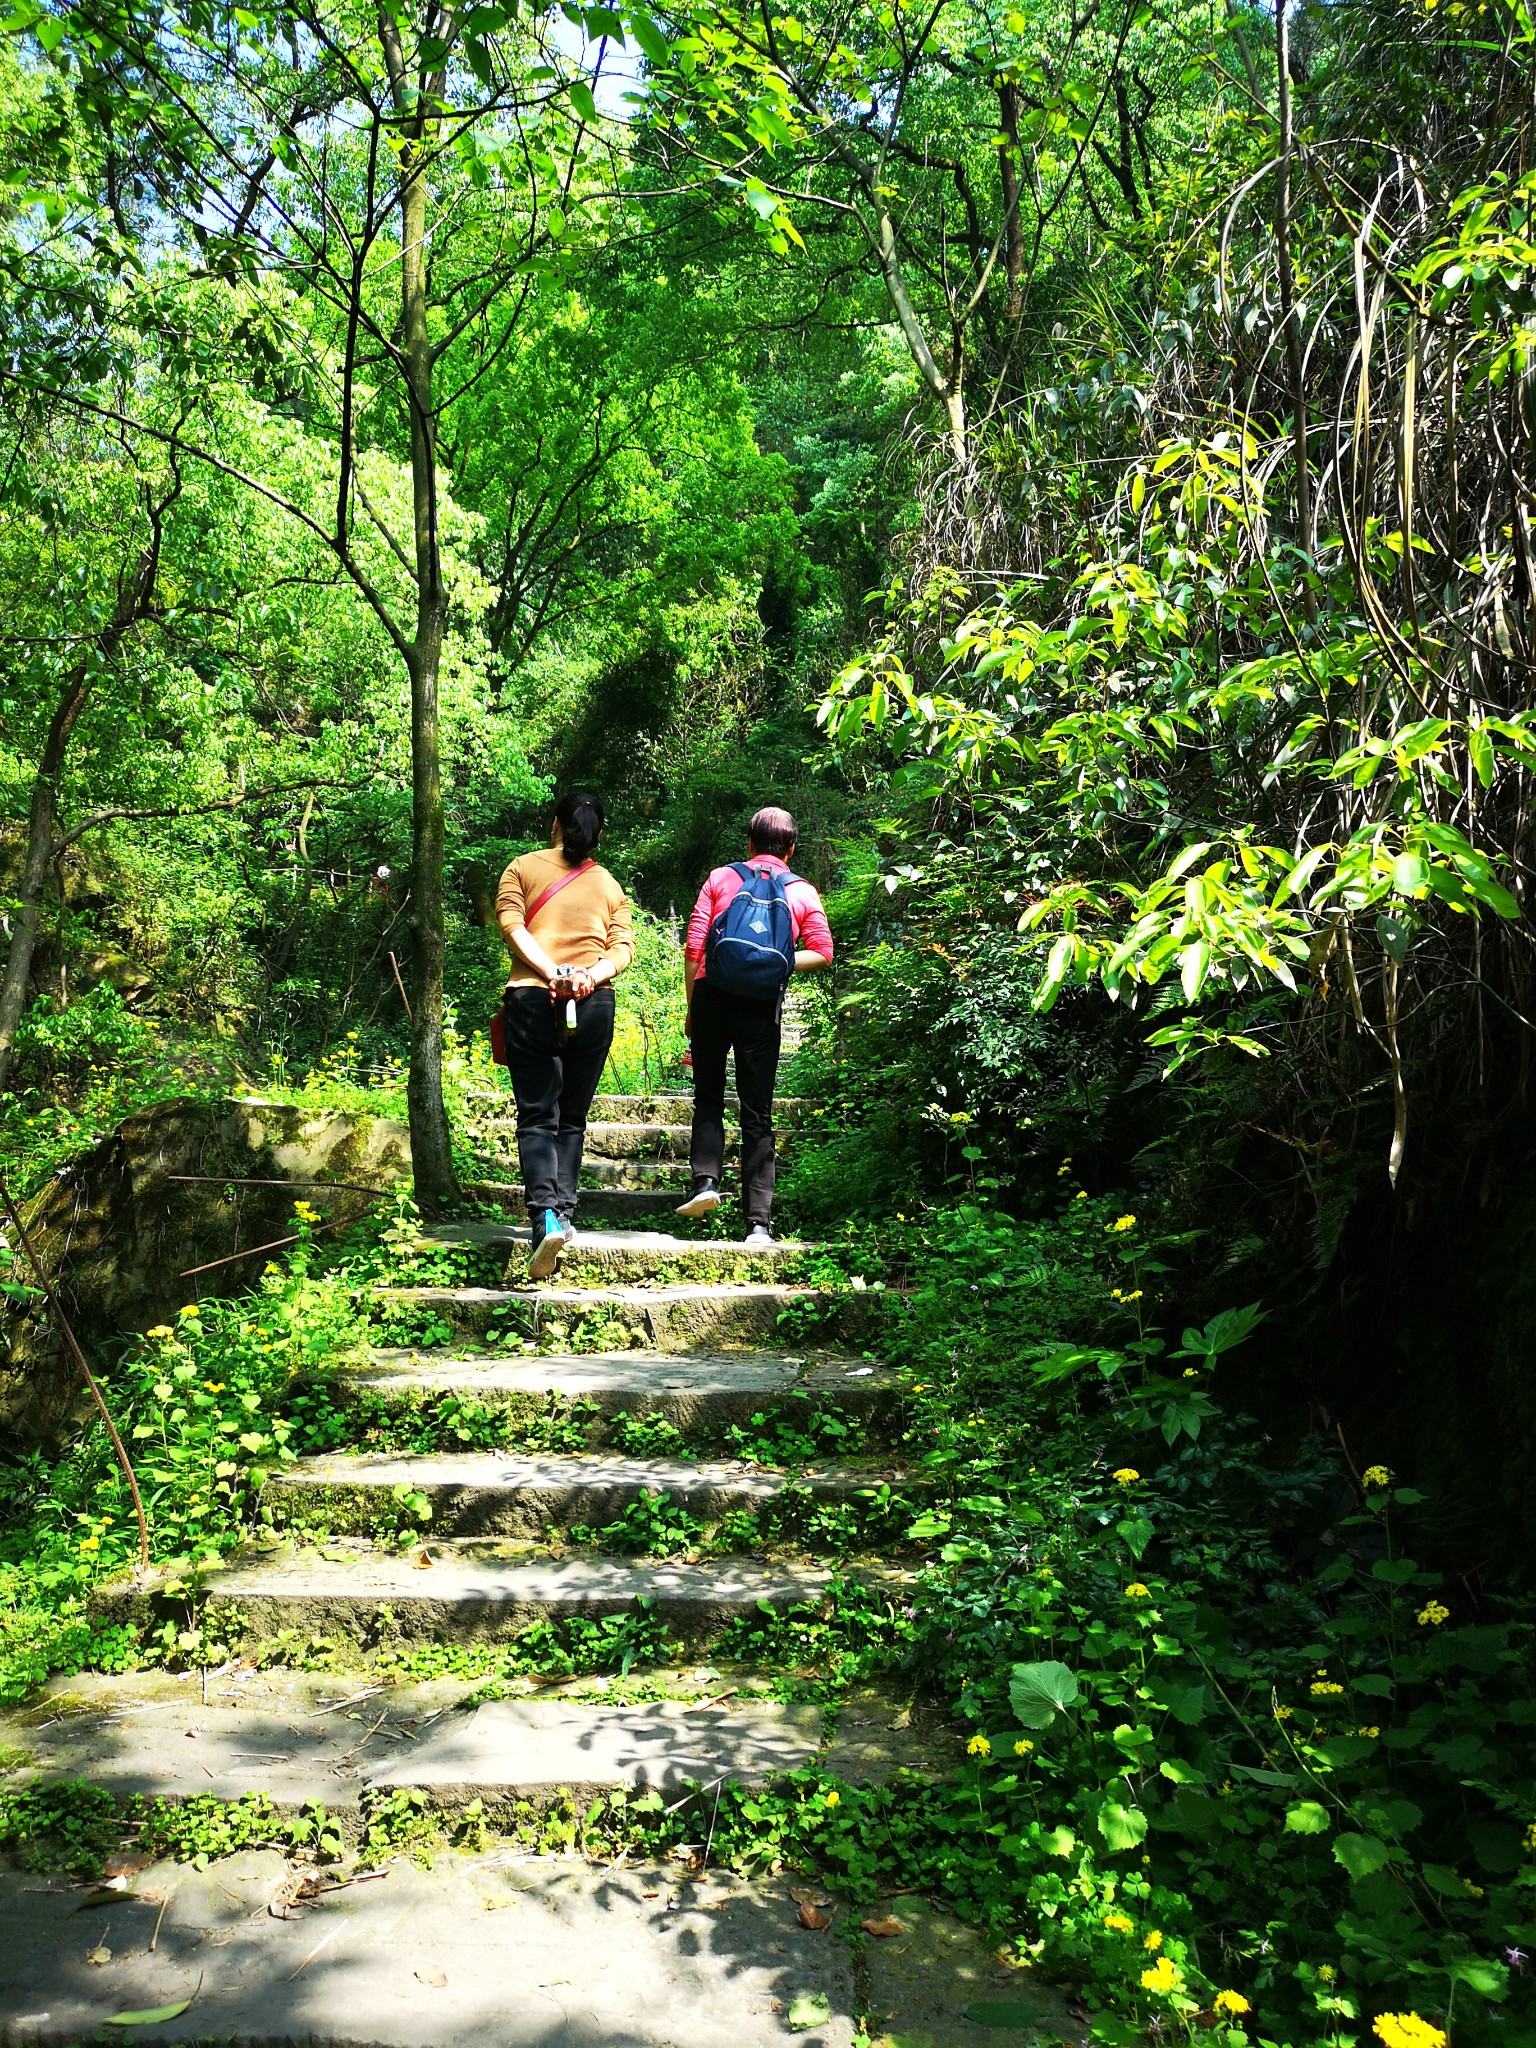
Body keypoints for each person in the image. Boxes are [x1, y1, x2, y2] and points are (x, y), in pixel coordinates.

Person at [677, 805, 833, 1243]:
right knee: (757, 1113)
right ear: (792, 849)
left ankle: (706, 1183)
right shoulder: (801, 890)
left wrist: (693, 1006)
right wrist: (778, 963)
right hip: (760, 1007)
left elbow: (694, 946)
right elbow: (823, 951)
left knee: (708, 1095)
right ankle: (758, 1224)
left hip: (712, 995)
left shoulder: (721, 878)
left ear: (748, 843)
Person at [496, 791, 633, 1280]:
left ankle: (544, 1218)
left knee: (538, 1114)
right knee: (571, 1117)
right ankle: (566, 1216)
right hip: (593, 1003)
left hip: (532, 998)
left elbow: (512, 926)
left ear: (554, 824)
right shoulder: (611, 886)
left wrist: (551, 970)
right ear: (602, 835)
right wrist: (589, 976)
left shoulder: (521, 868)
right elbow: (623, 950)